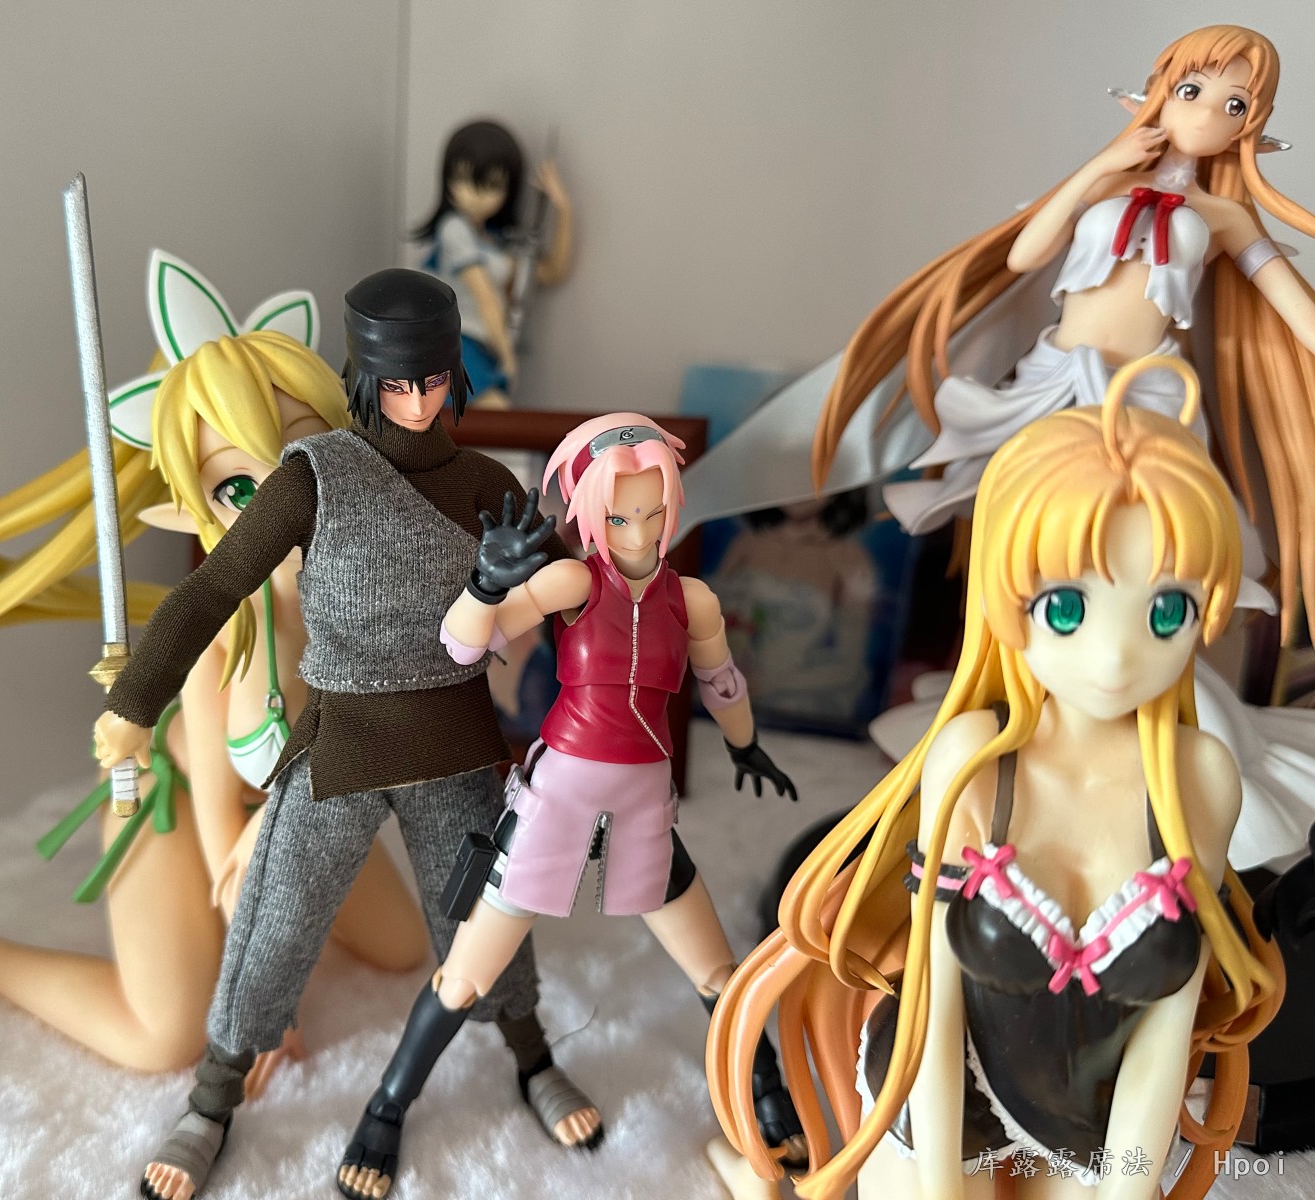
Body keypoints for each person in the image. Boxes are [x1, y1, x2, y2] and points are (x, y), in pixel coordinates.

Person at [708, 357, 1284, 1200]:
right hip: (948, 1106)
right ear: (1007, 597)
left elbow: (1166, 1031)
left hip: (1092, 1128)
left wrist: (1128, 1188)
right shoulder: (975, 763)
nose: (1116, 658)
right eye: (1067, 608)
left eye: (1167, 611)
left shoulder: (1201, 780)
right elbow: (934, 1008)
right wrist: (942, 1186)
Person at [93, 268, 601, 1200]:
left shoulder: (487, 483)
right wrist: (133, 705)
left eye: (433, 378)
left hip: (454, 747)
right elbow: (212, 589)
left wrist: (610, 596)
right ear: (364, 376)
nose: (417, 399)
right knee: (275, 918)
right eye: (397, 381)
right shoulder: (315, 474)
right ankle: (211, 1100)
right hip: (341, 745)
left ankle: (532, 1054)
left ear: (454, 374)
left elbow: (572, 593)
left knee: (484, 916)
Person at [0, 268, 427, 1085]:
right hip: (181, 800)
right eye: (238, 488)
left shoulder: (372, 588)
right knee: (162, 1038)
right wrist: (266, 987)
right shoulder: (227, 629)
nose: (280, 506)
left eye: (299, 462)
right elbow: (220, 820)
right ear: (198, 509)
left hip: (297, 808)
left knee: (403, 949)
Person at [801, 24, 1315, 875]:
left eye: (1234, 105)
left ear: (1251, 126)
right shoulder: (1107, 181)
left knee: (1140, 561)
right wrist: (1101, 165)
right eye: (1191, 91)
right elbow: (1025, 253)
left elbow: (1293, 309)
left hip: (1147, 401)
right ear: (1157, 89)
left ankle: (1138, 723)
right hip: (1053, 385)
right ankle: (1007, 707)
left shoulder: (1222, 217)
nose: (1205, 115)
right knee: (1030, 551)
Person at [336, 414, 807, 1199]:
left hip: (645, 802)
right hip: (558, 798)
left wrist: (745, 743)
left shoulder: (691, 600)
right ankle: (386, 1106)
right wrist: (485, 585)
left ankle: (767, 1090)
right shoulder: (572, 583)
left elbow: (722, 681)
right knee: (467, 974)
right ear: (590, 514)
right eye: (620, 517)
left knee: (718, 970)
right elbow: (463, 646)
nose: (640, 532)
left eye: (654, 512)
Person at [414, 119, 574, 407]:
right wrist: (507, 356)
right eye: (463, 180)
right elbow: (485, 295)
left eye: (491, 185)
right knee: (496, 412)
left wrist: (563, 210)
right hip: (450, 345)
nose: (475, 195)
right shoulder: (453, 229)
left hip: (480, 349)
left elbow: (551, 273)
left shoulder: (496, 242)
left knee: (487, 423)